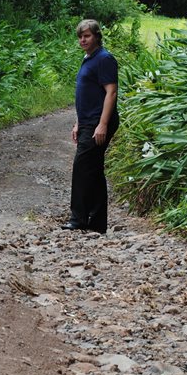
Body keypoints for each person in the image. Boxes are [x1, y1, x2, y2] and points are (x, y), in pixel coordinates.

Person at [62, 18, 118, 234]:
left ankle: (79, 219)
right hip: (87, 122)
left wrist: (102, 124)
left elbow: (111, 92)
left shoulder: (104, 59)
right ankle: (96, 222)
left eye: (86, 36)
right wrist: (78, 122)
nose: (82, 40)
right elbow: (88, 95)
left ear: (97, 36)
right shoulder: (89, 58)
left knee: (82, 168)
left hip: (98, 122)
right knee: (93, 170)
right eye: (80, 37)